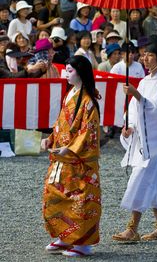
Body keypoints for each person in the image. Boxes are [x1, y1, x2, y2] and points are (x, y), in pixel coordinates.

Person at [112, 35, 157, 242]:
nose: (145, 59)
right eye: (144, 55)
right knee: (153, 183)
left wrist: (136, 94)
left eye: (150, 55)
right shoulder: (145, 81)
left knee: (140, 180)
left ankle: (132, 228)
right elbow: (133, 108)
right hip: (142, 139)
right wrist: (128, 125)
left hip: (154, 142)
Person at [41, 55, 101, 257]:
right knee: (55, 194)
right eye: (66, 69)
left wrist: (72, 149)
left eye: (70, 70)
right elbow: (61, 124)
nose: (66, 74)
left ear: (81, 72)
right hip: (62, 155)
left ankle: (83, 243)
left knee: (80, 200)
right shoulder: (70, 95)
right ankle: (65, 236)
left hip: (79, 159)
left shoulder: (88, 101)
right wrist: (50, 139)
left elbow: (88, 131)